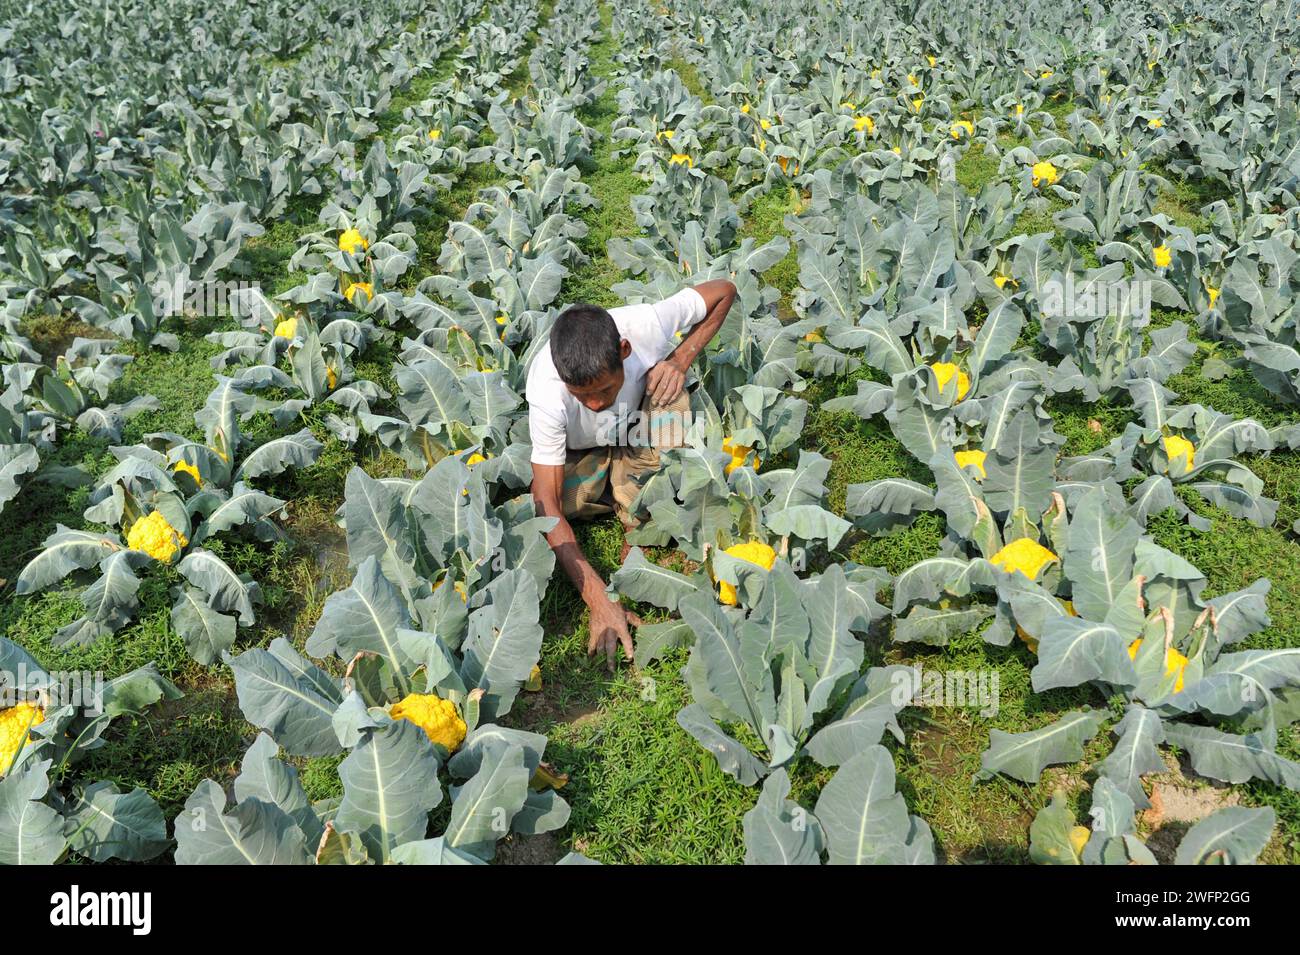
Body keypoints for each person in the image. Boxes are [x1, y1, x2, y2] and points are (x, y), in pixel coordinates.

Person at [527, 280, 737, 671]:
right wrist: (598, 599)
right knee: (554, 508)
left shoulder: (648, 325)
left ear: (624, 352)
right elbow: (547, 505)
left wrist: (681, 358)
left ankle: (628, 492)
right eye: (580, 396)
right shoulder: (546, 391)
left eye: (604, 390)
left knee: (670, 393)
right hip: (584, 449)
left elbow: (724, 290)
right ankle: (624, 489)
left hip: (638, 422)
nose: (592, 403)